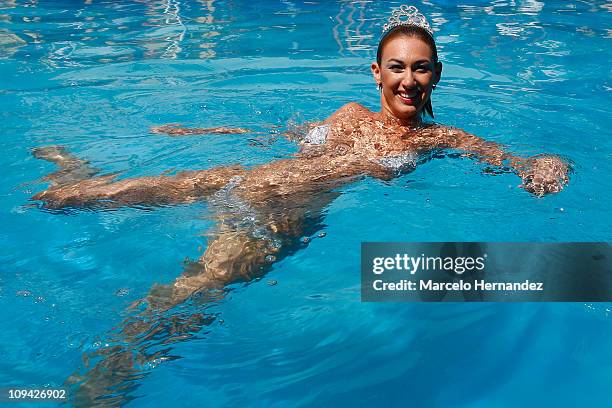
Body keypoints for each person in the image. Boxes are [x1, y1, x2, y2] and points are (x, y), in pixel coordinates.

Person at [32, 5, 568, 403]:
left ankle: (105, 378)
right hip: (241, 179)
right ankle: (80, 175)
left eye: (421, 68)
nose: (408, 80)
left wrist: (540, 165)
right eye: (397, 67)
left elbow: (502, 155)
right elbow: (285, 137)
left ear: (436, 75)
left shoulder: (436, 138)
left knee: (189, 296)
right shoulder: (350, 112)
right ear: (376, 72)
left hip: (278, 214)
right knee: (69, 201)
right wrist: (201, 129)